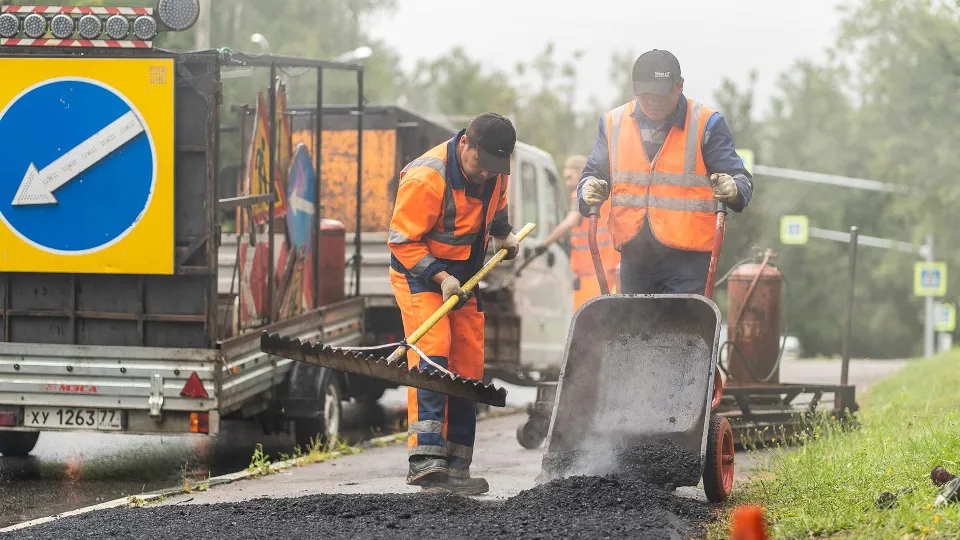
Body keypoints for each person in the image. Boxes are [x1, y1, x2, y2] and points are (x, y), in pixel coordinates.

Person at [386, 112, 520, 495]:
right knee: (433, 353)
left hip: (464, 277)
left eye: (493, 168)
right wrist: (441, 278)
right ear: (465, 143)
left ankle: (458, 467)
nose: (484, 175)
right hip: (420, 275)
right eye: (480, 165)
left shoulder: (495, 170)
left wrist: (503, 234)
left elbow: (495, 209)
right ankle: (426, 462)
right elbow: (402, 241)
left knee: (467, 365)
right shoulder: (426, 178)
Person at [578, 49, 754, 295]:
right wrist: (587, 190)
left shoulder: (706, 124)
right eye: (644, 94)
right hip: (635, 255)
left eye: (659, 94)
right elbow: (592, 174)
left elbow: (741, 179)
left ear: (679, 86)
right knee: (633, 329)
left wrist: (734, 189)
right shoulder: (613, 123)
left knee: (682, 329)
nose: (651, 101)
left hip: (689, 262)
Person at [534, 155, 620, 311]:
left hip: (590, 270)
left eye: (569, 177)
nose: (567, 183)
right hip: (605, 267)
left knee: (586, 320)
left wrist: (544, 244)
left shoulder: (580, 195)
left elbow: (571, 221)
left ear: (582, 171)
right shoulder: (604, 194)